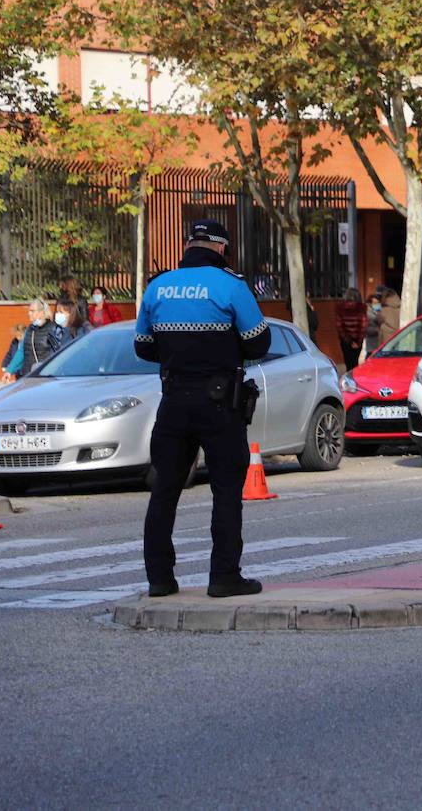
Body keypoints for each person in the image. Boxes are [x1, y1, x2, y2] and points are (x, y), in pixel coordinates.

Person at [135, 219, 271, 599]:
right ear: (222, 248)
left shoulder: (159, 286)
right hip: (219, 405)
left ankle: (160, 580)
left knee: (165, 489)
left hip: (173, 402)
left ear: (189, 245)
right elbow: (259, 343)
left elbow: (143, 347)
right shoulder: (231, 285)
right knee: (226, 491)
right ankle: (223, 577)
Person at [16, 299, 67, 377]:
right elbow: (22, 352)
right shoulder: (30, 329)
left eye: (32, 311)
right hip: (28, 374)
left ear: (41, 312)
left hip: (45, 374)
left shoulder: (53, 328)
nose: (29, 313)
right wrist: (10, 370)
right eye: (29, 311)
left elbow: (59, 352)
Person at [334, 288, 367, 372]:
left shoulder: (340, 309)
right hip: (357, 341)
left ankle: (348, 380)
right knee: (355, 362)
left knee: (348, 362)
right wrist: (358, 342)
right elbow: (363, 326)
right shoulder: (361, 308)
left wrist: (349, 341)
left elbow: (339, 327)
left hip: (345, 341)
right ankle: (354, 380)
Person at [364, 293, 382, 358]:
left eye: (377, 303)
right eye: (374, 303)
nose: (376, 305)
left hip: (378, 337)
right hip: (371, 336)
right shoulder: (367, 311)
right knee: (370, 354)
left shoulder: (379, 310)